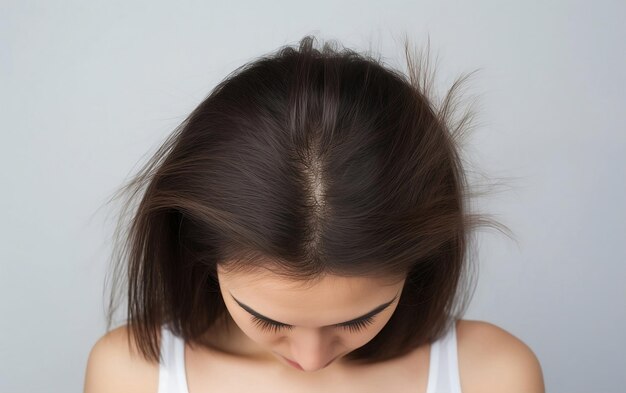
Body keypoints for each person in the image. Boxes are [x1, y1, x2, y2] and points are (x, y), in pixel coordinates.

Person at [83, 35, 545, 393]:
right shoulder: (131, 374)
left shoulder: (493, 376)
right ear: (199, 251)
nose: (310, 359)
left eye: (357, 320)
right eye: (268, 320)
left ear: (421, 261)